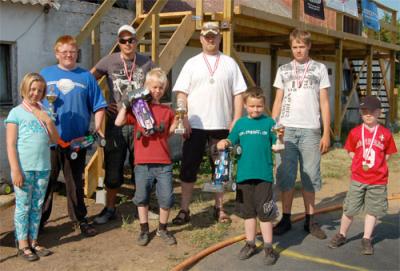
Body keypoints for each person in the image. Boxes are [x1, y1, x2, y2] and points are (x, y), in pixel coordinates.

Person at [172, 21, 247, 225]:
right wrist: (183, 117)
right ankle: (184, 210)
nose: (210, 39)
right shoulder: (191, 63)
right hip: (194, 125)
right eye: (207, 35)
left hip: (221, 125)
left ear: (220, 38)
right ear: (201, 38)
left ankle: (219, 208)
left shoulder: (230, 63)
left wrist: (237, 120)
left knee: (220, 169)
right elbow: (181, 93)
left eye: (214, 35)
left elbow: (239, 94)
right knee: (188, 169)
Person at [40, 35, 107, 237]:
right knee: (46, 182)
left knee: (75, 183)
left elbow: (99, 105)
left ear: (77, 53)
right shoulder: (45, 74)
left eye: (72, 52)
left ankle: (80, 219)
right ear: (57, 53)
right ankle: (38, 221)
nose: (69, 55)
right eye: (64, 52)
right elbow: (33, 103)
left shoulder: (86, 77)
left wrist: (98, 126)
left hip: (76, 142)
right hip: (49, 140)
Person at [91, 25, 156, 224]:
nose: (127, 44)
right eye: (123, 40)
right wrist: (101, 103)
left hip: (140, 121)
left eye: (131, 40)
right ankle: (110, 209)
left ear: (136, 41)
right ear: (118, 42)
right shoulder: (109, 61)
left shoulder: (147, 62)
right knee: (113, 165)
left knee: (142, 166)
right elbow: (88, 78)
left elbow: (159, 83)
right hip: (116, 123)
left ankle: (144, 207)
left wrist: (153, 104)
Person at [271, 29, 331, 239]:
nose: (298, 50)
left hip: (310, 131)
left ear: (309, 46)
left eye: (302, 46)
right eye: (294, 47)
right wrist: (272, 127)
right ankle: (285, 219)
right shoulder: (284, 69)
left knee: (310, 176)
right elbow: (278, 99)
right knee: (286, 176)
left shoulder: (319, 68)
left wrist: (326, 133)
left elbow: (324, 102)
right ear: (291, 47)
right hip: (285, 130)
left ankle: (310, 220)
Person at [217, 87, 281, 265]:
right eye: (252, 106)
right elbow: (231, 139)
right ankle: (250, 243)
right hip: (244, 176)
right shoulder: (240, 124)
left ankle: (268, 247)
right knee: (248, 213)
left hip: (264, 176)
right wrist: (224, 142)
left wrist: (278, 144)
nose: (255, 110)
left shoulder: (270, 123)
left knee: (266, 213)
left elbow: (277, 141)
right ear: (245, 105)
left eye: (259, 106)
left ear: (264, 106)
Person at [115, 68, 178, 246]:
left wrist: (181, 118)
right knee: (141, 197)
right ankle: (144, 230)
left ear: (164, 89)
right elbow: (118, 122)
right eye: (153, 87)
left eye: (160, 87)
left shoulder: (167, 111)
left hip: (164, 162)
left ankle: (162, 229)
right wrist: (126, 103)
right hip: (142, 163)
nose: (157, 91)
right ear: (146, 87)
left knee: (166, 198)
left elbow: (170, 131)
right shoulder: (138, 108)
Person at [328, 96, 397, 255]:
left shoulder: (385, 133)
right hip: (358, 178)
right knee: (350, 208)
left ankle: (366, 238)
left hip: (378, 180)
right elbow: (351, 151)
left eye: (372, 111)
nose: (368, 114)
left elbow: (388, 154)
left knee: (372, 210)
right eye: (365, 111)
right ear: (361, 112)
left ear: (379, 112)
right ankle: (342, 234)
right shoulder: (355, 132)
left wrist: (376, 165)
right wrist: (360, 162)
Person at [5, 73, 62, 261]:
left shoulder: (45, 111)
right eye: (32, 89)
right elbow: (11, 144)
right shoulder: (16, 113)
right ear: (25, 89)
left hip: (43, 167)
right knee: (23, 206)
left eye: (39, 90)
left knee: (37, 205)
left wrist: (47, 120)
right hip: (24, 168)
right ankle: (22, 244)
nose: (36, 93)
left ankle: (34, 240)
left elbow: (55, 140)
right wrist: (15, 170)